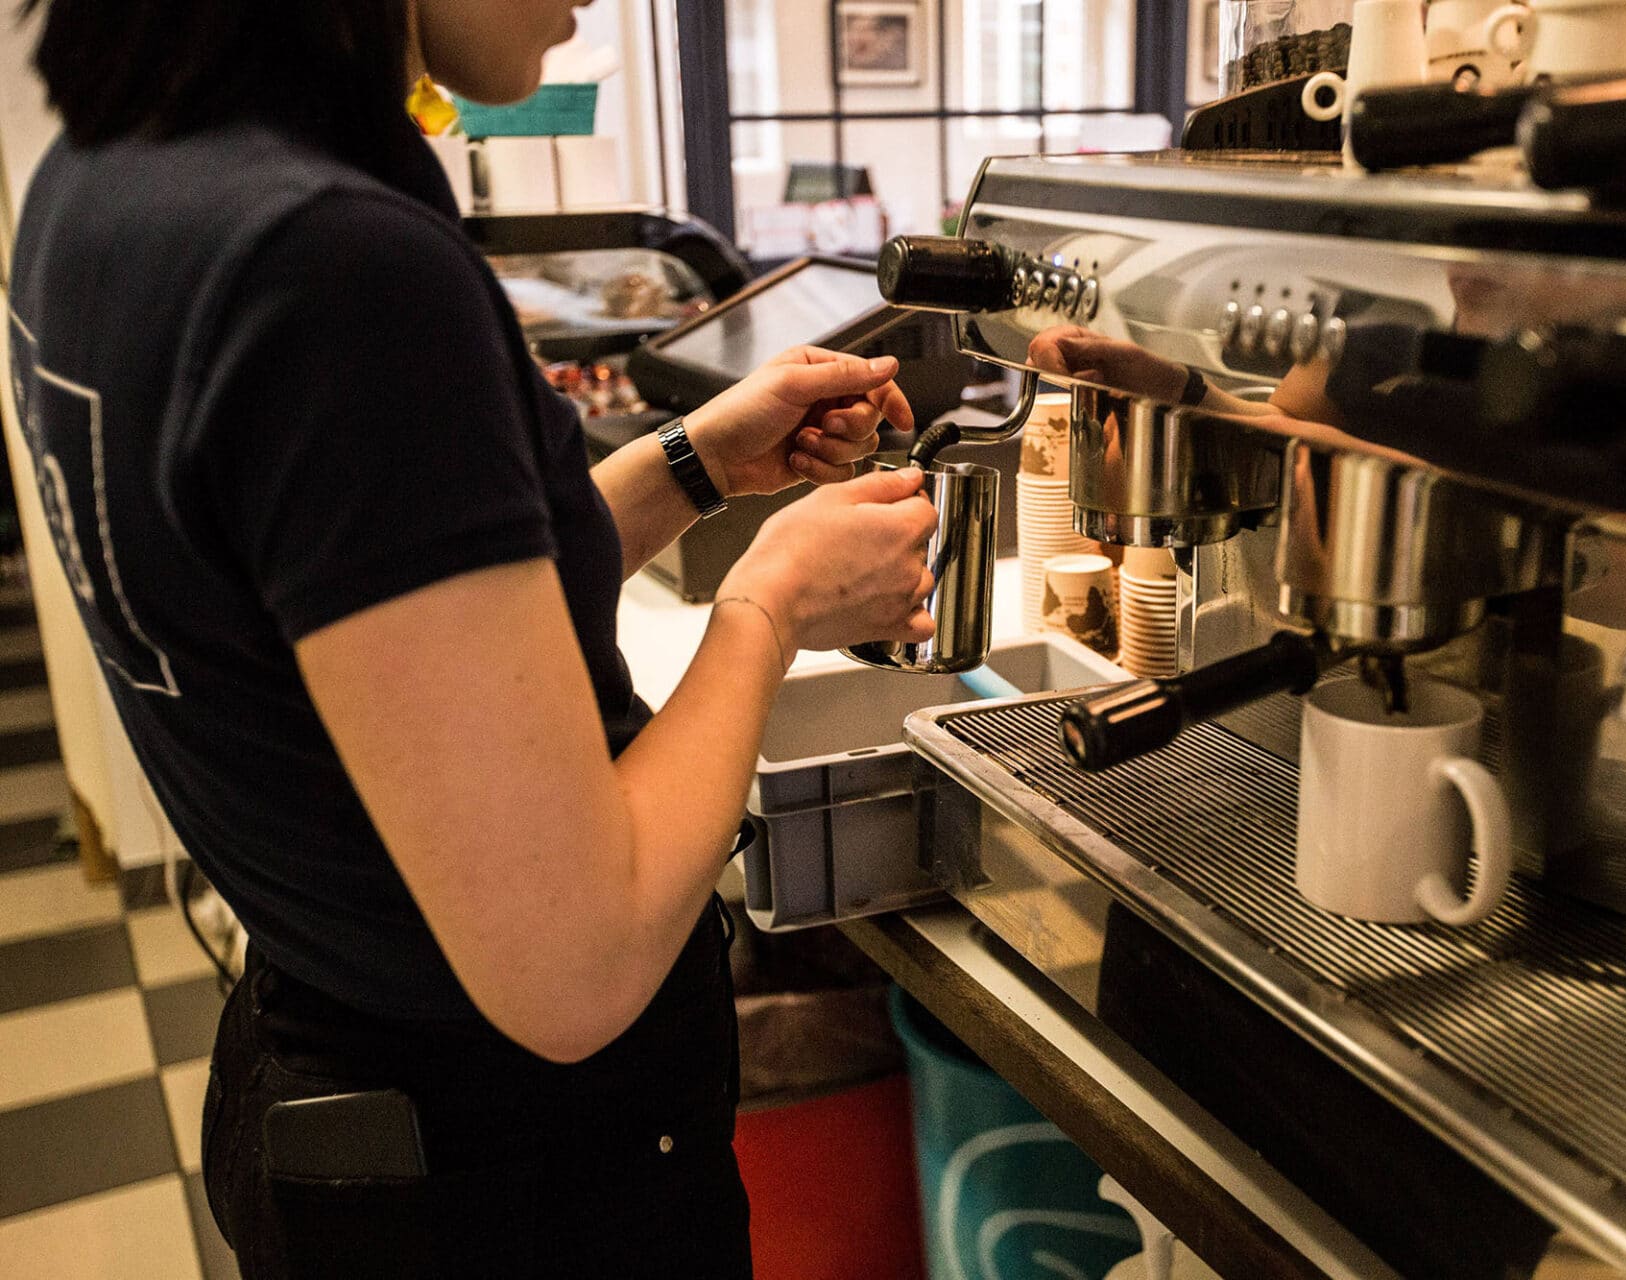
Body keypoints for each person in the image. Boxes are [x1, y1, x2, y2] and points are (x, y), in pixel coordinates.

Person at [7, 1, 939, 1274]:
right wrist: (771, 604)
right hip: (506, 1182)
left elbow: (397, 621)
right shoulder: (332, 266)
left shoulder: (110, 175)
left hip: (337, 1095)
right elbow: (578, 959)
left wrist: (695, 463)